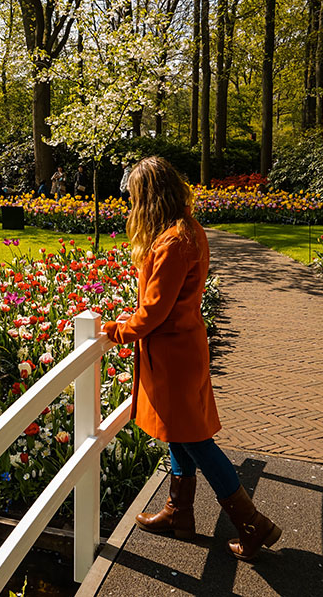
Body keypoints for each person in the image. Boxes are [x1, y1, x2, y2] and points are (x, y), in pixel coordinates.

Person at [102, 156, 282, 561]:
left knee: (196, 440)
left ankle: (253, 525)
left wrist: (115, 330)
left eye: (133, 198)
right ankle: (179, 513)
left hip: (172, 356)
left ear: (149, 197)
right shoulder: (187, 230)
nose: (130, 206)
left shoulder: (172, 242)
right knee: (179, 432)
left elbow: (152, 313)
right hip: (181, 348)